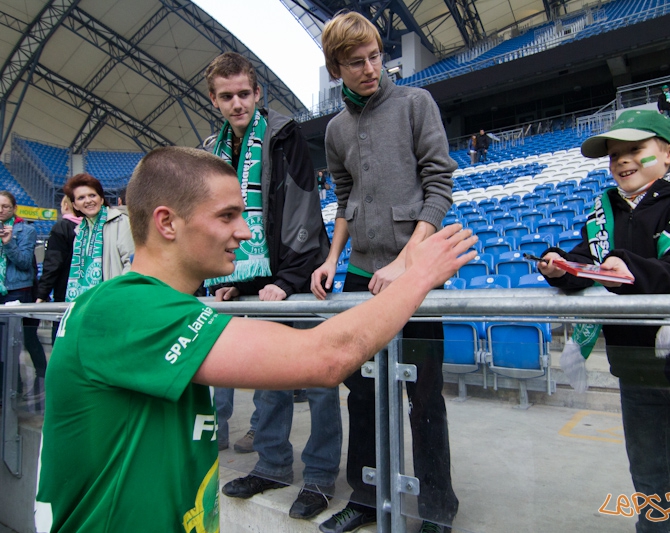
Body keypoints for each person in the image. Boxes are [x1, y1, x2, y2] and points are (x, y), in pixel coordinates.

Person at [35, 145, 476, 533]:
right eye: (227, 216)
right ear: (167, 223)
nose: (245, 232)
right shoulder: (125, 310)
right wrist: (417, 276)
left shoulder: (149, 307)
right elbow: (325, 356)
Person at [538, 110, 670, 533]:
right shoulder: (605, 213)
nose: (622, 161)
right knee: (650, 481)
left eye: (635, 150)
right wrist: (560, 267)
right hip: (635, 367)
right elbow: (588, 262)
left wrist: (629, 269)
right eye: (614, 154)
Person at [312, 11, 460, 533]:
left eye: (376, 56)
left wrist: (407, 261)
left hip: (415, 270)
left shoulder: (416, 104)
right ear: (337, 69)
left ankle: (438, 507)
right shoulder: (334, 129)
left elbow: (439, 186)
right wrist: (332, 258)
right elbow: (345, 200)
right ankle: (367, 497)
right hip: (360, 271)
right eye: (357, 62)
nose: (371, 68)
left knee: (423, 393)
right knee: (363, 391)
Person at [204, 51, 342, 521]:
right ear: (215, 100)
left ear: (258, 94)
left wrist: (288, 280)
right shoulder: (217, 150)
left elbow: (303, 208)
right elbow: (224, 221)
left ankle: (321, 477)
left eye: (244, 93)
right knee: (266, 378)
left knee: (317, 377)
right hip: (256, 283)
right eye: (227, 96)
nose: (237, 103)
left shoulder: (283, 136)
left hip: (298, 276)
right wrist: (232, 281)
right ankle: (274, 465)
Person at [0, 191, 47, 402]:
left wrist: (8, 243)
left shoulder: (25, 230)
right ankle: (10, 388)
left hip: (18, 290)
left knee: (23, 340)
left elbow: (24, 262)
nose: (1, 211)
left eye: (5, 207)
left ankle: (42, 379)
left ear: (14, 208)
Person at [62, 173, 133, 302]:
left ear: (101, 199)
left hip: (114, 299)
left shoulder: (120, 222)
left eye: (92, 195)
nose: (88, 200)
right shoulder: (80, 232)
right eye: (81, 197)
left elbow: (131, 262)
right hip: (88, 301)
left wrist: (117, 293)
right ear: (75, 205)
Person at [36, 195, 82, 341]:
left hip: (64, 293)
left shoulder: (61, 227)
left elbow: (53, 264)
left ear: (67, 206)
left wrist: (42, 294)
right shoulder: (92, 226)